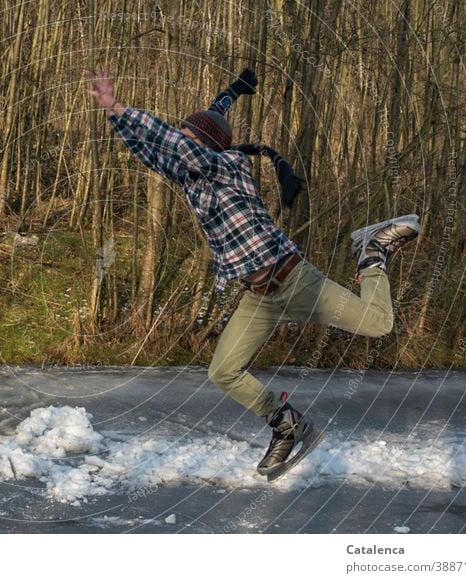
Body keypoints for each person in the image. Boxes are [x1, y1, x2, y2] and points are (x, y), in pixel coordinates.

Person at [84, 67, 420, 480]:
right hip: (258, 297)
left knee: (379, 324)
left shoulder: (228, 166)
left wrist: (120, 104)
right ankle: (287, 425)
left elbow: (174, 142)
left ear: (204, 145)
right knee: (223, 371)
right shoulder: (192, 177)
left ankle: (372, 249)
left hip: (297, 281)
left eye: (187, 137)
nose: (178, 145)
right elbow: (152, 151)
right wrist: (115, 116)